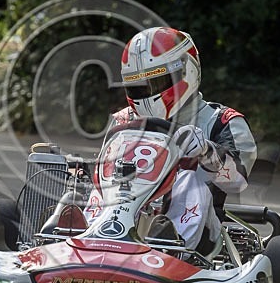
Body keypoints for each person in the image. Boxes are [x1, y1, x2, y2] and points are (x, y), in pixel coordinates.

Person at [85, 27, 257, 252]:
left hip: (199, 235)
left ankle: (169, 243)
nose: (147, 93)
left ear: (186, 71)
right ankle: (85, 236)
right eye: (138, 86)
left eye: (155, 83)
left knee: (187, 178)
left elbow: (237, 182)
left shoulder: (221, 121)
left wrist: (206, 152)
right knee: (92, 184)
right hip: (126, 213)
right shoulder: (122, 121)